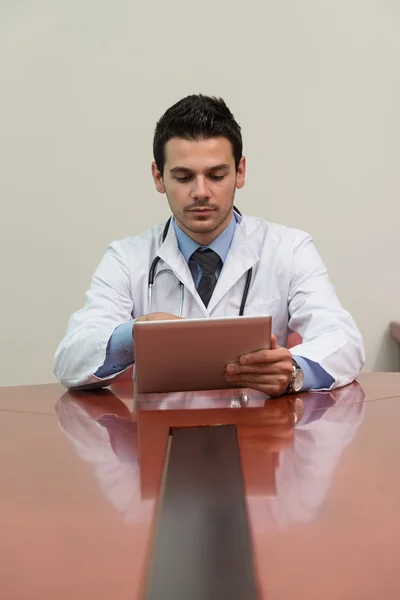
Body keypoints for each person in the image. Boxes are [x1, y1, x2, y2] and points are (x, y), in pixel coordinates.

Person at [54, 94, 365, 393]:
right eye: (184, 177)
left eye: (216, 175)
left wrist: (293, 371)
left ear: (240, 172)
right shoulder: (126, 258)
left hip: (259, 434)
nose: (201, 192)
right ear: (158, 177)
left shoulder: (289, 249)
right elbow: (70, 360)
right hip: (158, 437)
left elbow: (343, 340)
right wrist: (135, 335)